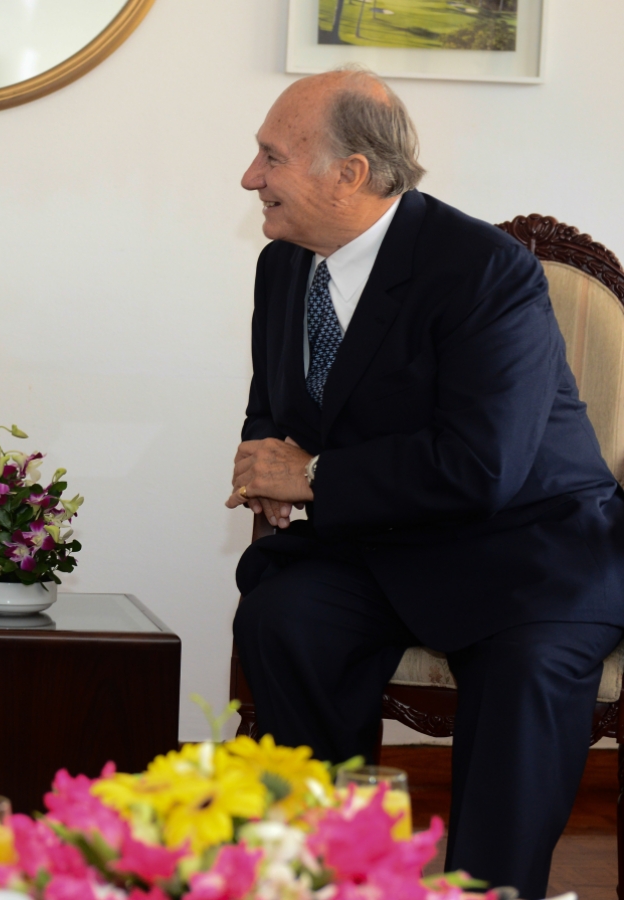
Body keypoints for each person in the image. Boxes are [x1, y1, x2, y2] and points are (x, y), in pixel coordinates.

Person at [228, 66, 624, 899]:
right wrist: (266, 460)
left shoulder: (483, 271)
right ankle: (327, 871)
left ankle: (489, 891)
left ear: (351, 174)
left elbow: (485, 465)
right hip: (384, 543)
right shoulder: (285, 266)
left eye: (271, 156)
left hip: (529, 549)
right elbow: (278, 403)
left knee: (524, 678)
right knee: (284, 617)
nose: (250, 177)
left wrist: (314, 477)